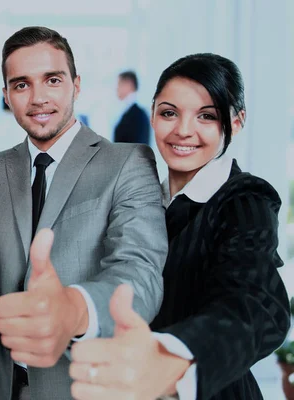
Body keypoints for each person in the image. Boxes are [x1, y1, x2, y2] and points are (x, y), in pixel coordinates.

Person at [0, 26, 167, 400]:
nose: (38, 98)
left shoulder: (128, 162)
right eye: (21, 85)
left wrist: (74, 310)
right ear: (6, 96)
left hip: (82, 385)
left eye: (52, 80)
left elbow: (140, 271)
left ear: (76, 85)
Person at [69, 53, 291, 400]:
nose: (183, 130)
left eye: (207, 116)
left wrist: (170, 359)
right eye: (169, 113)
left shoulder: (245, 199)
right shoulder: (137, 198)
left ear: (236, 122)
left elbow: (255, 303)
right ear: (154, 114)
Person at [112, 70, 150, 145]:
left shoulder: (139, 115)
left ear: (129, 85)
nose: (116, 88)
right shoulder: (126, 112)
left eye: (120, 84)